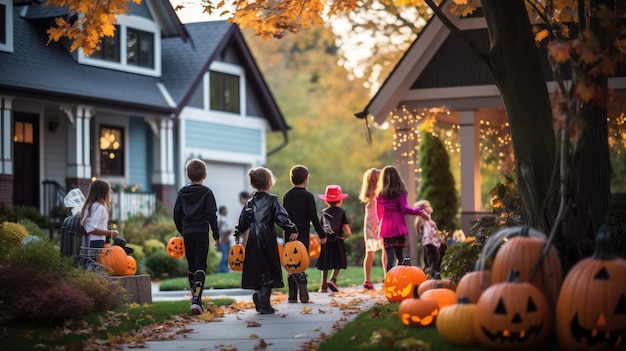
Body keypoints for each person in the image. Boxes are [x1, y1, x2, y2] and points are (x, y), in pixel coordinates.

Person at [234, 167, 299, 314]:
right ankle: (264, 303)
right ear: (270, 182)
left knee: (256, 267)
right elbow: (282, 218)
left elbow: (243, 220)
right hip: (266, 238)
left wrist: (238, 232)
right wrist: (292, 229)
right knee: (268, 268)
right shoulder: (272, 200)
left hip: (252, 238)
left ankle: (257, 294)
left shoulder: (250, 202)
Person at [173, 158, 220, 316]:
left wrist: (182, 229)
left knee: (191, 266)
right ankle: (197, 299)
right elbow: (211, 215)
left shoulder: (182, 193)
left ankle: (194, 297)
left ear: (187, 174)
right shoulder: (207, 193)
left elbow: (176, 215)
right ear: (205, 175)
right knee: (201, 265)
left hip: (188, 233)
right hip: (201, 232)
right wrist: (216, 234)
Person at [282, 165, 328, 303]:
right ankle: (302, 280)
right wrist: (322, 234)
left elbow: (284, 216)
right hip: (302, 235)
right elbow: (313, 218)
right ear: (306, 179)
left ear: (292, 179)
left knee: (290, 264)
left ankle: (292, 295)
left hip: (289, 234)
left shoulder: (287, 196)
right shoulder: (308, 196)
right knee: (300, 262)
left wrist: (288, 229)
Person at [376, 165, 429, 273]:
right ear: (397, 177)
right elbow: (405, 209)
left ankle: (389, 279)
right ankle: (398, 278)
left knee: (389, 257)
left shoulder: (380, 194)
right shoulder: (401, 193)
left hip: (386, 228)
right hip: (398, 228)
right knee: (400, 255)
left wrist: (382, 223)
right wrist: (420, 212)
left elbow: (379, 214)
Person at [316, 185, 351, 292]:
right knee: (340, 261)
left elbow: (321, 227)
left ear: (327, 201)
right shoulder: (341, 211)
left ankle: (323, 285)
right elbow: (347, 230)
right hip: (338, 240)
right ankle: (333, 279)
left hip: (326, 241)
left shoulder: (323, 212)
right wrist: (348, 235)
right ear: (340, 200)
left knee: (325, 262)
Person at [358, 168, 386, 289]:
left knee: (371, 253)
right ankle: (370, 279)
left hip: (374, 224)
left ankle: (370, 279)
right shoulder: (378, 194)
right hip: (375, 224)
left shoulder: (371, 195)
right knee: (379, 252)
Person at [80, 179, 119, 249]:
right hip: (96, 242)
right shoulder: (99, 207)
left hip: (90, 241)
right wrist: (111, 233)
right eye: (109, 191)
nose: (110, 193)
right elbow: (91, 228)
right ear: (104, 193)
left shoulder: (90, 206)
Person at [415, 200, 442, 278]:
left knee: (433, 258)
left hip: (432, 242)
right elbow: (427, 232)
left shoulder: (429, 219)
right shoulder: (423, 220)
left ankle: (431, 272)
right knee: (435, 257)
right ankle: (433, 272)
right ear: (422, 209)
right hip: (428, 242)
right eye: (427, 206)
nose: (430, 207)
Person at [216, 206, 233, 273]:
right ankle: (220, 270)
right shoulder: (220, 220)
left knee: (227, 255)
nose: (226, 211)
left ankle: (225, 269)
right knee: (225, 255)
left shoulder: (226, 219)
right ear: (222, 211)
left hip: (227, 240)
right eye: (225, 210)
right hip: (223, 241)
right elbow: (218, 230)